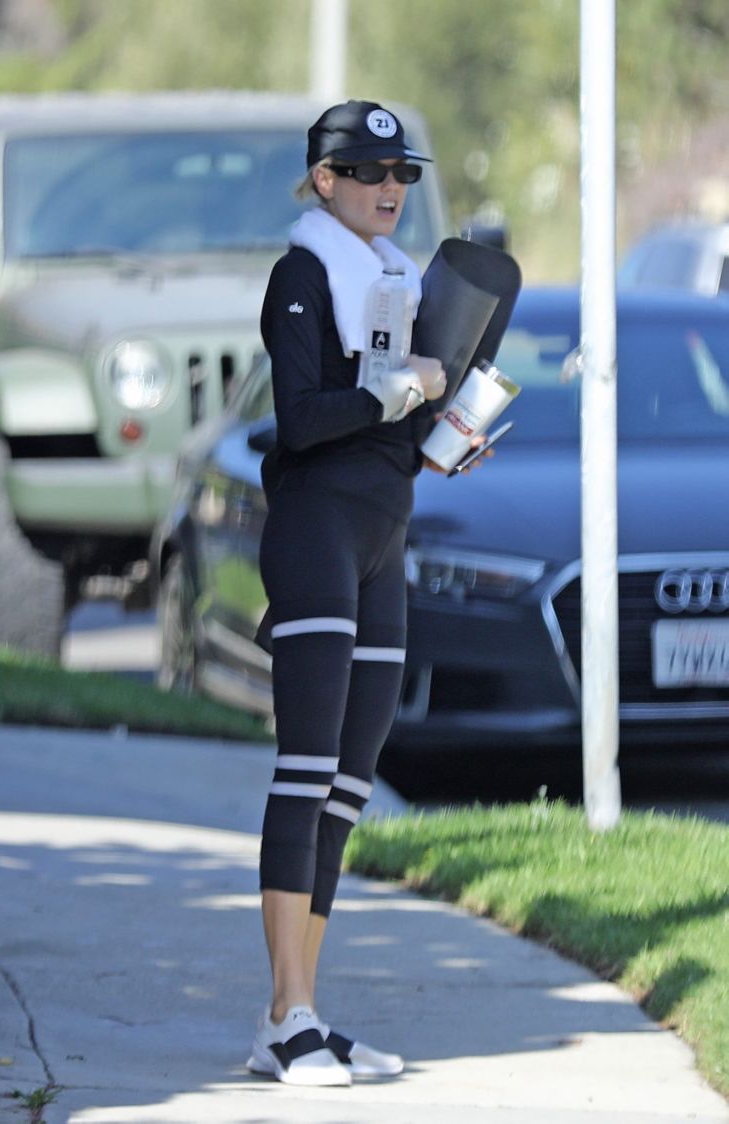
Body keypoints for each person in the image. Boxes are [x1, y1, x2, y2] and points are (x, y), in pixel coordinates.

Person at [246, 99, 489, 1087]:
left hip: (384, 530)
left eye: (404, 174)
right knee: (304, 771)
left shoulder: (394, 280)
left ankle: (296, 1014)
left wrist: (444, 437)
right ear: (322, 181)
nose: (391, 187)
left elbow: (393, 417)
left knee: (349, 785)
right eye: (368, 170)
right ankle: (288, 1009)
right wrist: (408, 390)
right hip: (314, 532)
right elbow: (302, 421)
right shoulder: (303, 274)